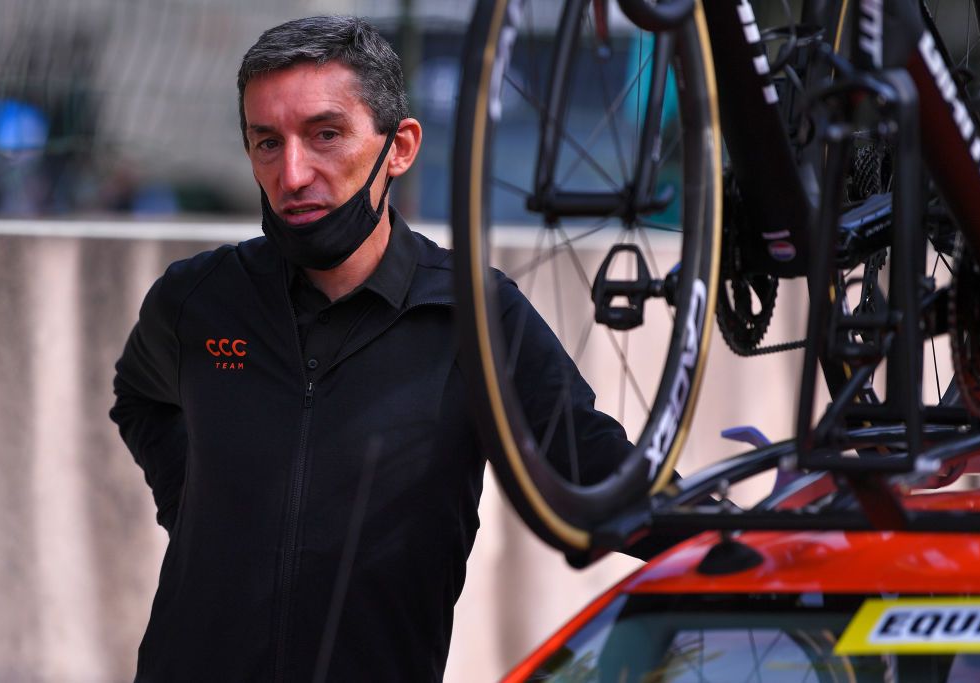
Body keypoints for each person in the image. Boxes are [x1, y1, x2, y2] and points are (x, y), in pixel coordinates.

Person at [110, 15, 630, 682]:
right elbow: (140, 396)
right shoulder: (196, 298)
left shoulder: (476, 314)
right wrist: (194, 509)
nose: (292, 173)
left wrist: (749, 533)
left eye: (325, 135)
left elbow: (603, 475)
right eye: (266, 142)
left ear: (401, 146)